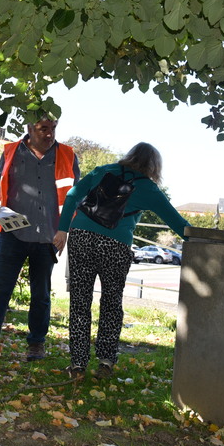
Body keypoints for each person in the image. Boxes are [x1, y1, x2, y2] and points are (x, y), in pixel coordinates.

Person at [53, 142, 189, 379]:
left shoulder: (102, 171)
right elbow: (177, 224)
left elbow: (73, 195)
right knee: (111, 302)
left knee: (80, 301)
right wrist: (205, 242)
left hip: (82, 237)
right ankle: (105, 362)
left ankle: (77, 365)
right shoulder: (148, 188)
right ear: (154, 166)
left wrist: (62, 230)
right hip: (115, 245)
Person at [0, 118, 79, 364]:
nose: (50, 134)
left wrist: (64, 229)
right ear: (29, 129)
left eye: (53, 129)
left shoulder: (68, 155)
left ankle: (36, 344)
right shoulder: (10, 151)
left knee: (41, 293)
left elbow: (75, 196)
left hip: (48, 236)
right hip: (13, 233)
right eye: (43, 129)